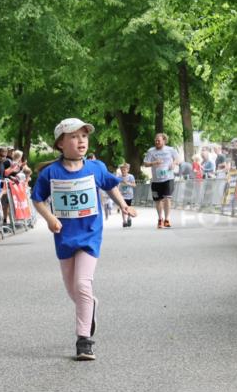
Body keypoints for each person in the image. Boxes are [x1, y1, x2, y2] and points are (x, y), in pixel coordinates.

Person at [31, 118, 136, 361]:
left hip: (90, 235)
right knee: (74, 290)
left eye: (84, 137)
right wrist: (49, 218)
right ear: (60, 143)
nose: (81, 141)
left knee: (82, 284)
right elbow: (37, 199)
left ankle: (84, 340)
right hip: (64, 237)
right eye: (74, 137)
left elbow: (111, 185)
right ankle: (91, 306)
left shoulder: (96, 167)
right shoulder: (50, 173)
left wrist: (123, 205)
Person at [143, 132, 181, 228]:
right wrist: (154, 163)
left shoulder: (170, 150)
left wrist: (174, 163)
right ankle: (160, 218)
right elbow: (145, 163)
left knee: (167, 198)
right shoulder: (151, 151)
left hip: (168, 178)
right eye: (155, 140)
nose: (156, 142)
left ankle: (167, 219)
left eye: (158, 140)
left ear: (164, 140)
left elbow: (178, 159)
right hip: (156, 180)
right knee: (158, 200)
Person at [117, 163, 136, 227]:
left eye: (124, 170)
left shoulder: (131, 176)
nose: (123, 171)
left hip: (129, 195)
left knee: (129, 207)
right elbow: (116, 185)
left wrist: (127, 183)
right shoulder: (119, 177)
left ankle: (129, 218)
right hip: (122, 195)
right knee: (123, 208)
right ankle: (124, 221)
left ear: (128, 170)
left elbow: (134, 185)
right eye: (122, 170)